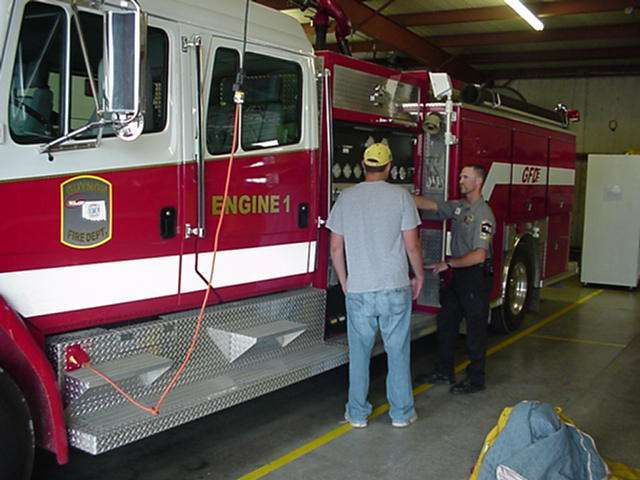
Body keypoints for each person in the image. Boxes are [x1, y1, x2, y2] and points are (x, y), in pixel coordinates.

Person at [327, 142, 424, 428]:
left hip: (359, 290)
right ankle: (402, 413)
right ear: (390, 166)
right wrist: (419, 276)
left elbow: (335, 248)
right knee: (397, 352)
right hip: (394, 287)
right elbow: (413, 246)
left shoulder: (346, 198)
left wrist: (345, 283)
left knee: (359, 356)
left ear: (363, 165)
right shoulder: (401, 196)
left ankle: (357, 414)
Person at [414, 164, 495, 394]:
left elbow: (479, 255)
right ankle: (443, 371)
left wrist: (448, 264)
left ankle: (476, 379)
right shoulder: (460, 207)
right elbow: (433, 205)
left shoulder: (484, 215)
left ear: (478, 182)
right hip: (459, 276)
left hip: (475, 277)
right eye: (460, 175)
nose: (460, 179)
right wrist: (402, 196)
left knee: (475, 329)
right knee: (447, 322)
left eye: (465, 177)